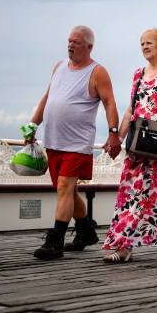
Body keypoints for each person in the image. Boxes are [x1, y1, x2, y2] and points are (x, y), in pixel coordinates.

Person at [29, 25, 122, 260]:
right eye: (69, 41)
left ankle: (55, 242)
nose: (71, 45)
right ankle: (85, 231)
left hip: (77, 143)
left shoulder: (97, 72)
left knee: (64, 189)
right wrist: (33, 124)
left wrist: (113, 134)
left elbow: (109, 103)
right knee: (68, 191)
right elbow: (48, 96)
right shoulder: (59, 67)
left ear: (89, 47)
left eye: (77, 42)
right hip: (53, 140)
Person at [102, 28, 157, 262]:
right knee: (131, 194)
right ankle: (124, 247)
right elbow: (131, 109)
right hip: (139, 146)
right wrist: (118, 138)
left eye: (149, 42)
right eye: (141, 43)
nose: (144, 47)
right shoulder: (138, 74)